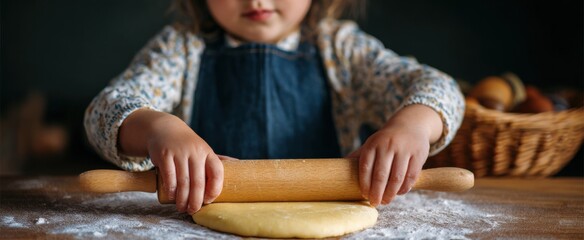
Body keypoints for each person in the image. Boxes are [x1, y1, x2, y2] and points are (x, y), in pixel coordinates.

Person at [84, 0, 465, 215]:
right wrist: (158, 129)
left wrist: (412, 125)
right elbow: (105, 109)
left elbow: (440, 88)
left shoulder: (342, 50)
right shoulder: (182, 49)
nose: (257, 1)